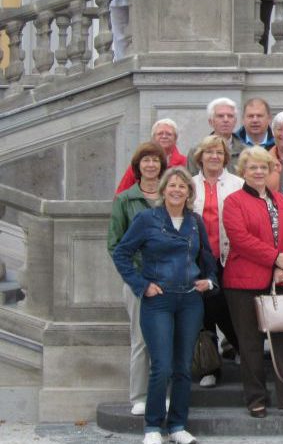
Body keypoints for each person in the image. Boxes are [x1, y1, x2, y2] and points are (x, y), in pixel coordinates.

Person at [112, 166, 216, 444]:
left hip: (190, 301)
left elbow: (208, 258)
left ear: (189, 192)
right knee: (162, 365)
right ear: (163, 190)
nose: (177, 190)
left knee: (183, 366)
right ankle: (153, 427)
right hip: (158, 300)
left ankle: (178, 425)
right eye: (172, 185)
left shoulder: (195, 221)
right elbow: (122, 252)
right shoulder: (147, 219)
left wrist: (210, 280)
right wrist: (141, 284)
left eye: (182, 186)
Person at [221, 147, 283, 420]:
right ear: (244, 172)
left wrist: (282, 265)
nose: (259, 172)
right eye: (253, 168)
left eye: (264, 167)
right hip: (244, 281)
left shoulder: (281, 200)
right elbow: (240, 239)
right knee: (250, 343)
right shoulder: (234, 201)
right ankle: (256, 399)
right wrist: (277, 259)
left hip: (280, 280)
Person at [107, 141, 168, 417]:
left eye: (156, 160)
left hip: (169, 279)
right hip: (138, 281)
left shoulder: (172, 196)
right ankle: (140, 395)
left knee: (166, 340)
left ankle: (162, 394)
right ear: (138, 166)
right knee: (141, 340)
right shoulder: (125, 200)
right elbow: (115, 244)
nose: (151, 165)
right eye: (146, 160)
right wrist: (137, 278)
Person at [191, 135, 244, 389]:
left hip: (230, 258)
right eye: (209, 151)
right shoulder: (189, 185)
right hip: (199, 259)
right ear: (200, 156)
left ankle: (239, 346)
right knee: (204, 315)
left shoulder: (237, 184)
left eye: (219, 152)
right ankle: (209, 365)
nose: (214, 156)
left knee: (226, 307)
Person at [116, 119, 186, 193]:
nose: (164, 136)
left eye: (169, 134)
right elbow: (121, 194)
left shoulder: (185, 162)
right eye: (160, 133)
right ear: (153, 138)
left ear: (176, 139)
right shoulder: (140, 164)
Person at [187, 97, 245, 174]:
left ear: (235, 121)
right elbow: (190, 183)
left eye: (230, 116)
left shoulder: (246, 152)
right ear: (211, 122)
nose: (226, 120)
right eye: (220, 116)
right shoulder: (196, 152)